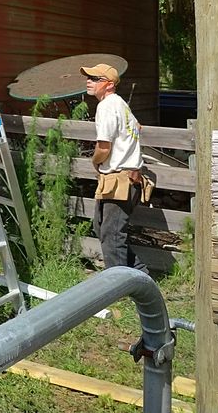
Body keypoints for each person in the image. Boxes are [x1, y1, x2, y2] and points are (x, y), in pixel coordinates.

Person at [81, 63, 149, 275]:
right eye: (89, 77)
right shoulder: (120, 104)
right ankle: (140, 275)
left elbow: (104, 146)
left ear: (109, 85)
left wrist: (95, 162)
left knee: (111, 236)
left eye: (95, 78)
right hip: (124, 178)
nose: (89, 81)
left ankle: (120, 286)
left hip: (119, 180)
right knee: (102, 228)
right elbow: (138, 127)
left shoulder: (107, 106)